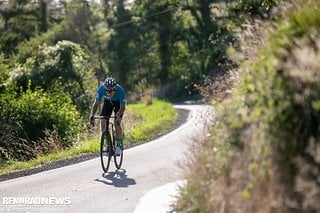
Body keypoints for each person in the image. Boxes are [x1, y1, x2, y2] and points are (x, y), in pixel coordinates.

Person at [90, 77, 126, 155]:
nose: (109, 92)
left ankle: (118, 145)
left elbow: (123, 107)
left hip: (118, 105)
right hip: (107, 104)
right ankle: (107, 144)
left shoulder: (120, 90)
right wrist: (92, 115)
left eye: (111, 91)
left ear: (115, 88)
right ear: (105, 88)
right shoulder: (101, 89)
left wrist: (118, 114)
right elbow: (96, 103)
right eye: (107, 91)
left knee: (117, 122)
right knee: (103, 121)